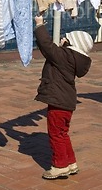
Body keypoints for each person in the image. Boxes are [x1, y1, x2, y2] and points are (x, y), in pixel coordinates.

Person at [34, 14, 93, 180]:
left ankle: (60, 166)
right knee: (63, 133)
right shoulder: (75, 60)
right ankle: (70, 162)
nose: (61, 39)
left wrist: (39, 25)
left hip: (58, 102)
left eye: (65, 39)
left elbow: (46, 46)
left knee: (56, 134)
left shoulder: (64, 57)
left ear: (70, 44)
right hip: (67, 101)